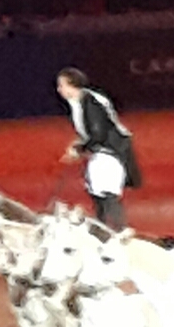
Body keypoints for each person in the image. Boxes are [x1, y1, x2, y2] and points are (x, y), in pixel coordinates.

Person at [55, 67, 141, 229]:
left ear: (72, 85)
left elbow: (99, 133)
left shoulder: (91, 102)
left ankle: (117, 231)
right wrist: (79, 144)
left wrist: (79, 149)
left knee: (106, 192)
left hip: (111, 152)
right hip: (100, 152)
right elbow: (90, 132)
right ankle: (103, 229)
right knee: (96, 191)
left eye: (62, 85)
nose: (59, 89)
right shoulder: (78, 102)